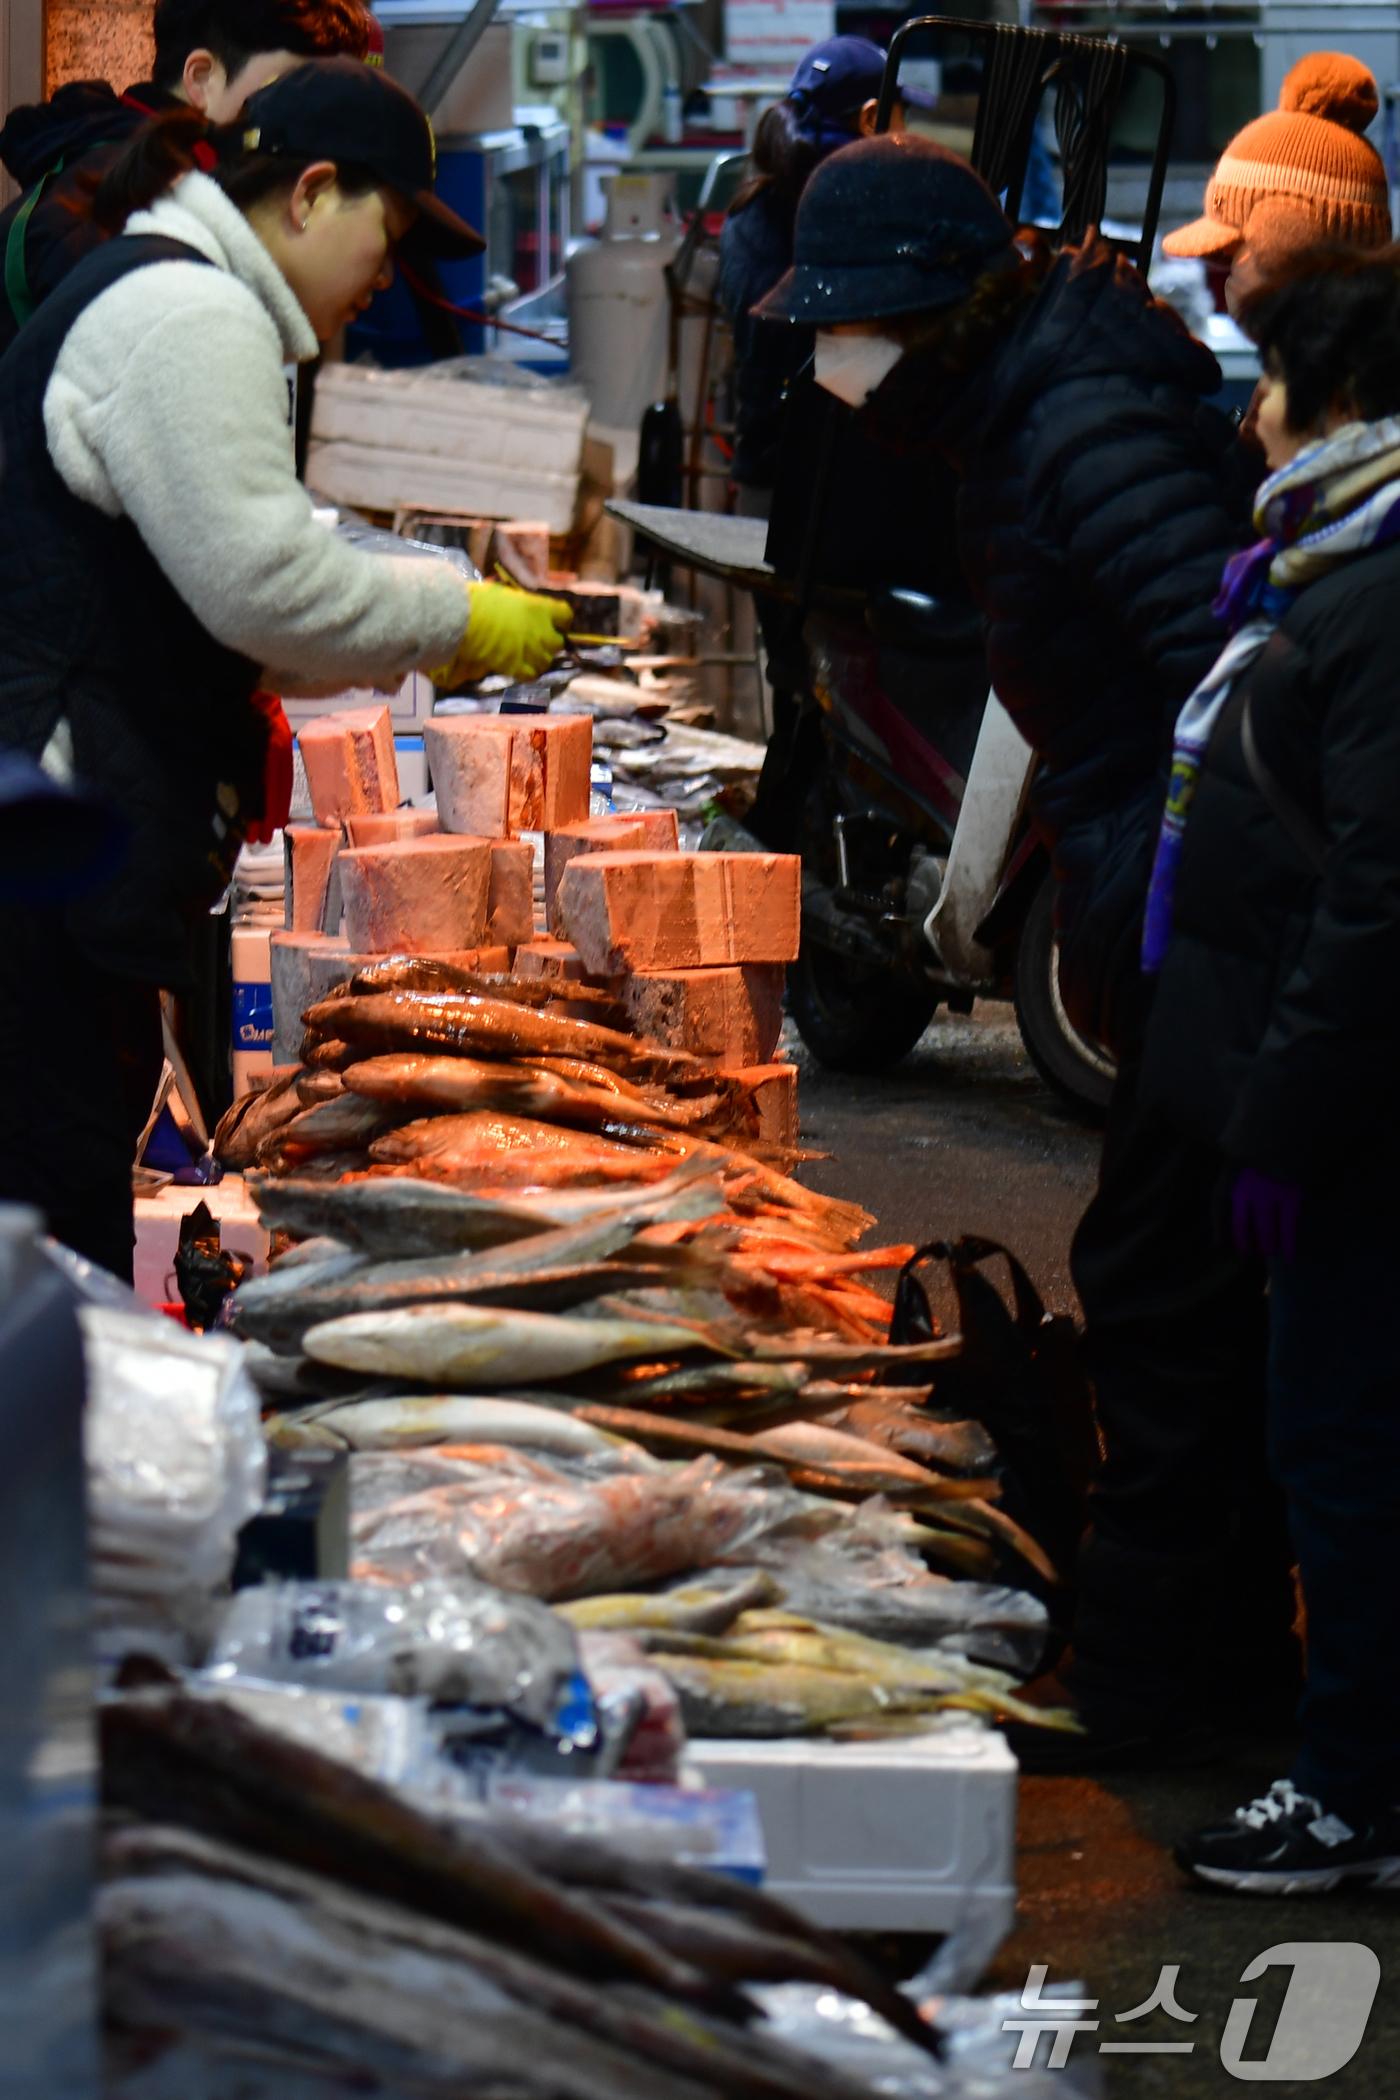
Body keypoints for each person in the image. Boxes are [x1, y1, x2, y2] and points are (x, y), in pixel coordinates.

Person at [754, 131, 1298, 1762]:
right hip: (1173, 909)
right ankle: (1185, 1677)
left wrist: (1153, 896)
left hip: (1205, 922)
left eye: (855, 325)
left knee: (1165, 1297)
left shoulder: (1078, 423)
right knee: (1163, 1291)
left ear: (935, 311)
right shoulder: (1028, 405)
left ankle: (1173, 1699)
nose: (838, 356)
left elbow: (1233, 692)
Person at [0, 59, 572, 1282]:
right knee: (54, 1240)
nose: (388, 281)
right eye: (390, 234)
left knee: (59, 1216)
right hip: (43, 867)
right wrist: (454, 614)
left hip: (61, 848)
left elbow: (222, 610)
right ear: (311, 193)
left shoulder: (183, 298)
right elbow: (261, 582)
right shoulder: (190, 316)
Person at [1133, 253, 1400, 1890]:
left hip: (1362, 1129)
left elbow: (1379, 896)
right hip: (1328, 1104)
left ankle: (1356, 1790)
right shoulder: (1331, 565)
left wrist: (1284, 1123)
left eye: (1276, 379)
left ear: (1342, 400)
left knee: (1348, 1449)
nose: (1255, 412)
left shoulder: (1372, 591)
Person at [0, 0, 371, 354]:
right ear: (202, 79)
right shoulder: (116, 212)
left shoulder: (173, 187)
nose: (320, 132)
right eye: (295, 94)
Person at [718, 37, 931, 507]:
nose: (908, 137)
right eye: (902, 119)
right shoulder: (857, 215)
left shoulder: (747, 212)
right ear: (871, 119)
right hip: (836, 499)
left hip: (759, 484)